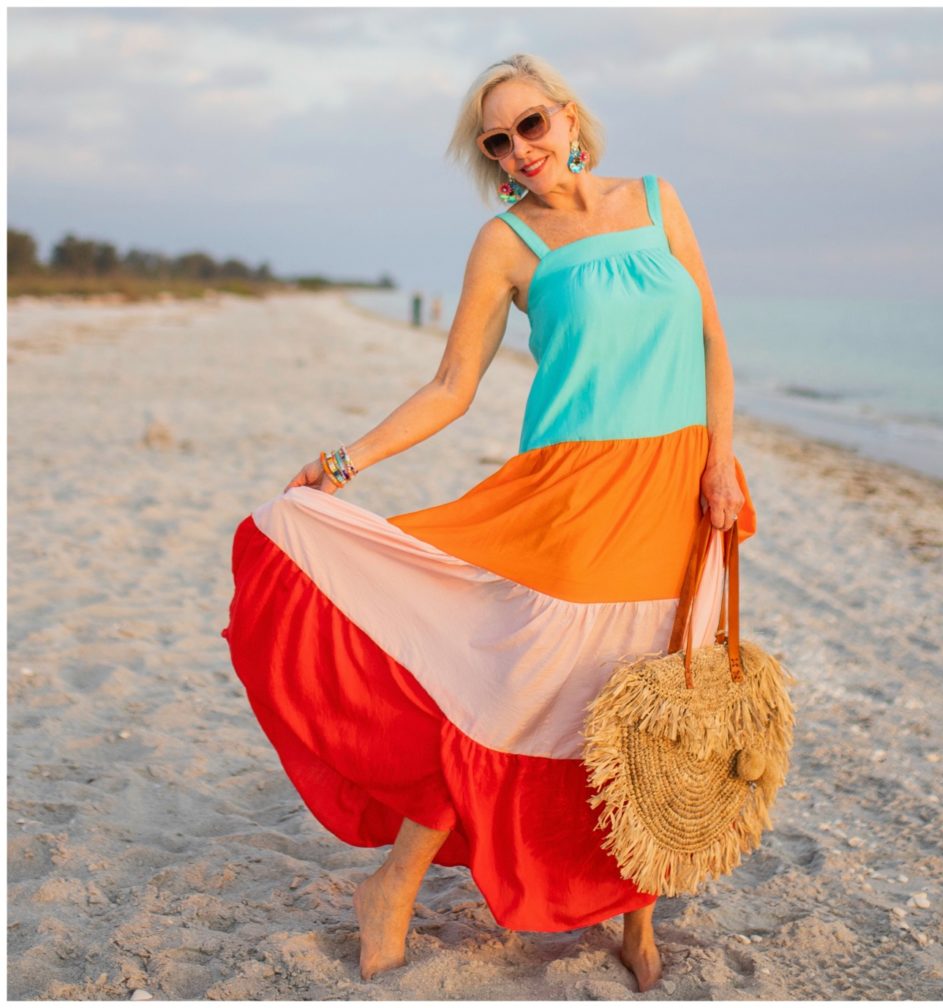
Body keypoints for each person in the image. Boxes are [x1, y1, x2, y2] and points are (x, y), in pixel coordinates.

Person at [221, 52, 755, 994]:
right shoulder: (506, 244)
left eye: (530, 125)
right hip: (572, 494)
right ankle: (392, 884)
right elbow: (451, 387)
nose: (519, 149)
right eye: (498, 140)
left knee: (653, 698)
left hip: (678, 487)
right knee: (522, 692)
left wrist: (720, 460)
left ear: (569, 116)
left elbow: (712, 336)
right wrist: (346, 462)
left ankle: (638, 916)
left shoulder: (660, 200)